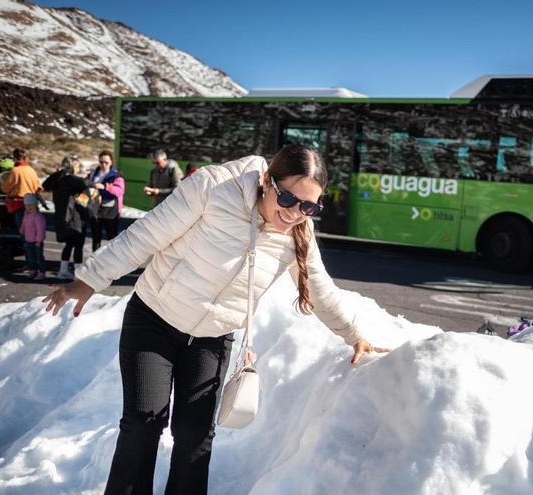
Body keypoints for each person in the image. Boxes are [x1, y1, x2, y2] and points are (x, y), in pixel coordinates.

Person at [42, 145, 389, 494]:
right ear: (268, 181)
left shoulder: (298, 233)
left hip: (213, 338)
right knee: (143, 423)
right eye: (288, 200)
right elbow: (145, 235)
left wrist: (355, 334)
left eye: (309, 206)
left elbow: (321, 291)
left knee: (196, 435)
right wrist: (89, 280)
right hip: (155, 319)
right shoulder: (214, 187)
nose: (296, 213)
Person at [43, 155, 89, 280]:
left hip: (61, 217)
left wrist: (58, 172)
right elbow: (86, 187)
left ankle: (62, 271)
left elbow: (45, 185)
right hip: (75, 217)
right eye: (78, 165)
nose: (79, 168)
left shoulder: (57, 179)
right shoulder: (74, 181)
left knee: (69, 245)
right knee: (78, 245)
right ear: (73, 166)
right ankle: (78, 275)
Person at [88, 150, 125, 252]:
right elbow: (87, 186)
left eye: (106, 162)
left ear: (111, 162)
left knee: (111, 238)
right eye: (101, 162)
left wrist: (105, 187)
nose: (103, 165)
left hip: (111, 211)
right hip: (95, 209)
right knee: (96, 238)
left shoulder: (116, 175)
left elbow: (120, 191)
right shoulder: (93, 174)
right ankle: (95, 263)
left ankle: (112, 264)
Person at [0, 148, 42, 229]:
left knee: (23, 231)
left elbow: (6, 188)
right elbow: (38, 187)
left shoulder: (16, 171)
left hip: (19, 204)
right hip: (32, 204)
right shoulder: (31, 170)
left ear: (15, 158)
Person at [19, 193, 47, 280]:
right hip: (28, 240)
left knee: (39, 257)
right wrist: (22, 231)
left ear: (36, 205)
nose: (29, 207)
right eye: (27, 206)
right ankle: (34, 270)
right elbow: (23, 225)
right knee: (31, 258)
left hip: (36, 242)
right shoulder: (26, 216)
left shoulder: (38, 217)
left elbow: (40, 230)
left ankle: (42, 272)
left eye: (31, 205)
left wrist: (39, 240)